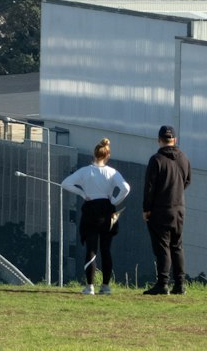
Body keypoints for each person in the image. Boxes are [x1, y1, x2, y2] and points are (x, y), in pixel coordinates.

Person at [61, 137, 131, 295]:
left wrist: (82, 193)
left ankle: (90, 286)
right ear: (107, 156)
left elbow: (65, 183)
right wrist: (114, 199)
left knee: (91, 249)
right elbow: (126, 188)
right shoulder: (112, 172)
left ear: (94, 154)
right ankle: (105, 286)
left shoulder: (85, 172)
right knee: (106, 250)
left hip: (91, 211)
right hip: (107, 210)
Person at [143, 125, 192, 295]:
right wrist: (176, 192)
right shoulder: (184, 158)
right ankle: (180, 284)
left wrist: (146, 209)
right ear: (175, 140)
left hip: (160, 209)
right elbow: (187, 180)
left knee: (162, 246)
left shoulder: (156, 159)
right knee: (177, 246)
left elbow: (149, 188)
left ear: (159, 140)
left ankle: (162, 283)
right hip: (179, 208)